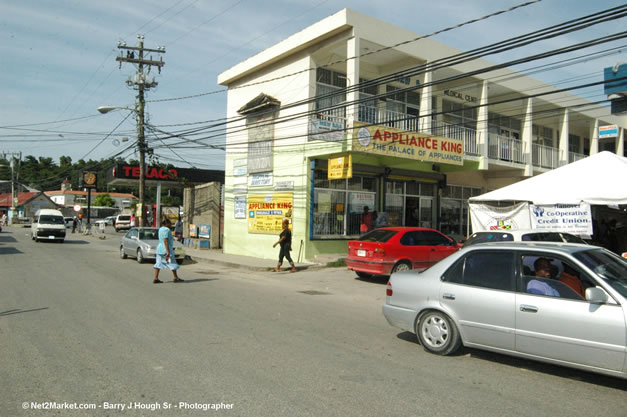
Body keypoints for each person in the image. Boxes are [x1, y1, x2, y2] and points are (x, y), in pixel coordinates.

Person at [153, 219, 184, 284]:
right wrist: (168, 251)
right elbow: (165, 240)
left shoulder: (160, 229)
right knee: (172, 262)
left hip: (159, 249)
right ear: (167, 224)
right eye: (169, 223)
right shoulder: (167, 230)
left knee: (158, 263)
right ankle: (176, 277)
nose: (170, 225)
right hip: (165, 250)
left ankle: (156, 278)